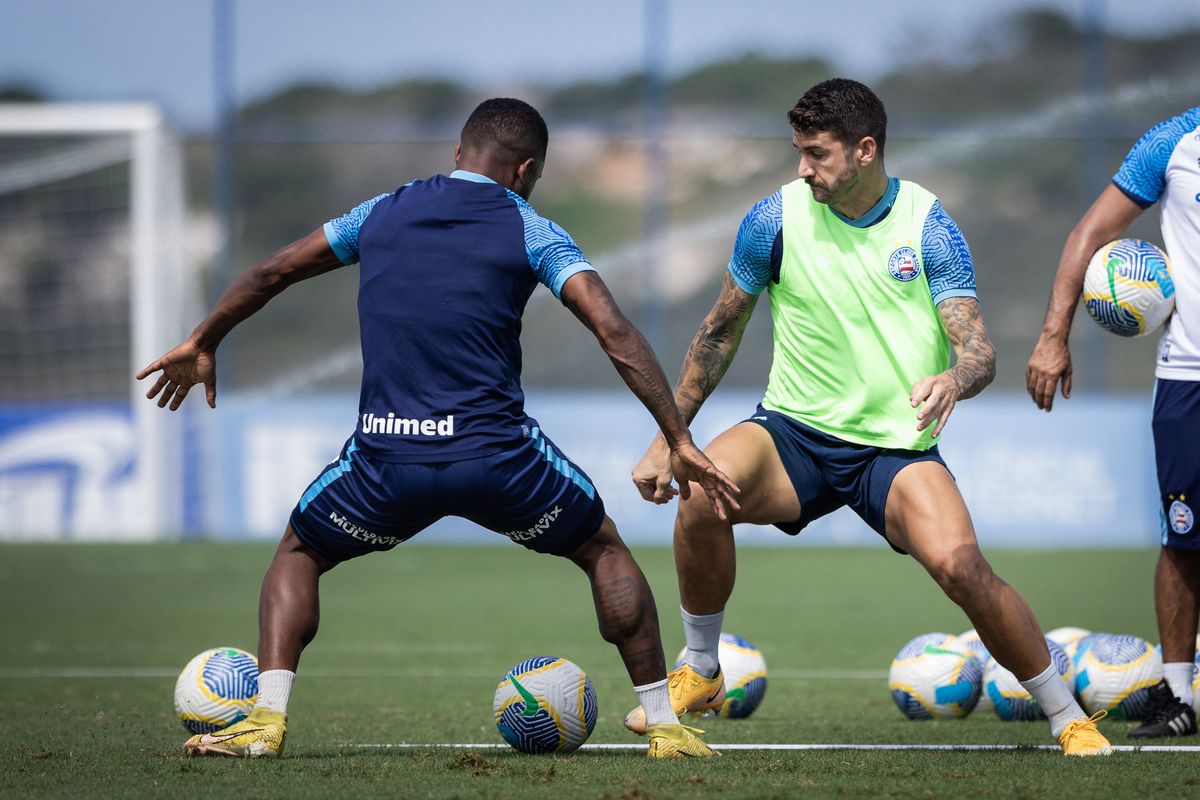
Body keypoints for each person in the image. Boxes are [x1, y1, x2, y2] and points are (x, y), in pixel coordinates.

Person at [138, 98, 739, 759]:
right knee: (603, 550)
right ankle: (663, 727)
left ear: (459, 154)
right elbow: (613, 329)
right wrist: (678, 437)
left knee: (299, 553)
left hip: (386, 461)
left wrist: (204, 339)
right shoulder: (532, 228)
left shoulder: (379, 213)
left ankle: (265, 721)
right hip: (498, 460)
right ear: (526, 169)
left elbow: (271, 270)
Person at [623, 78, 1111, 756]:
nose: (803, 168)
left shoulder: (928, 225)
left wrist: (953, 379)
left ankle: (1068, 717)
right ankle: (702, 669)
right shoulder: (773, 219)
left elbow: (979, 351)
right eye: (797, 151)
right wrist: (668, 438)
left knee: (962, 566)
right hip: (792, 433)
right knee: (701, 489)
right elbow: (716, 334)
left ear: (864, 150)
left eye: (816, 154)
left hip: (895, 451)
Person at [1027, 106, 1200, 739]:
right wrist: (1052, 336)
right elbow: (1088, 235)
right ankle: (1178, 695)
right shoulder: (1173, 143)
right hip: (1190, 374)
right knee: (1183, 534)